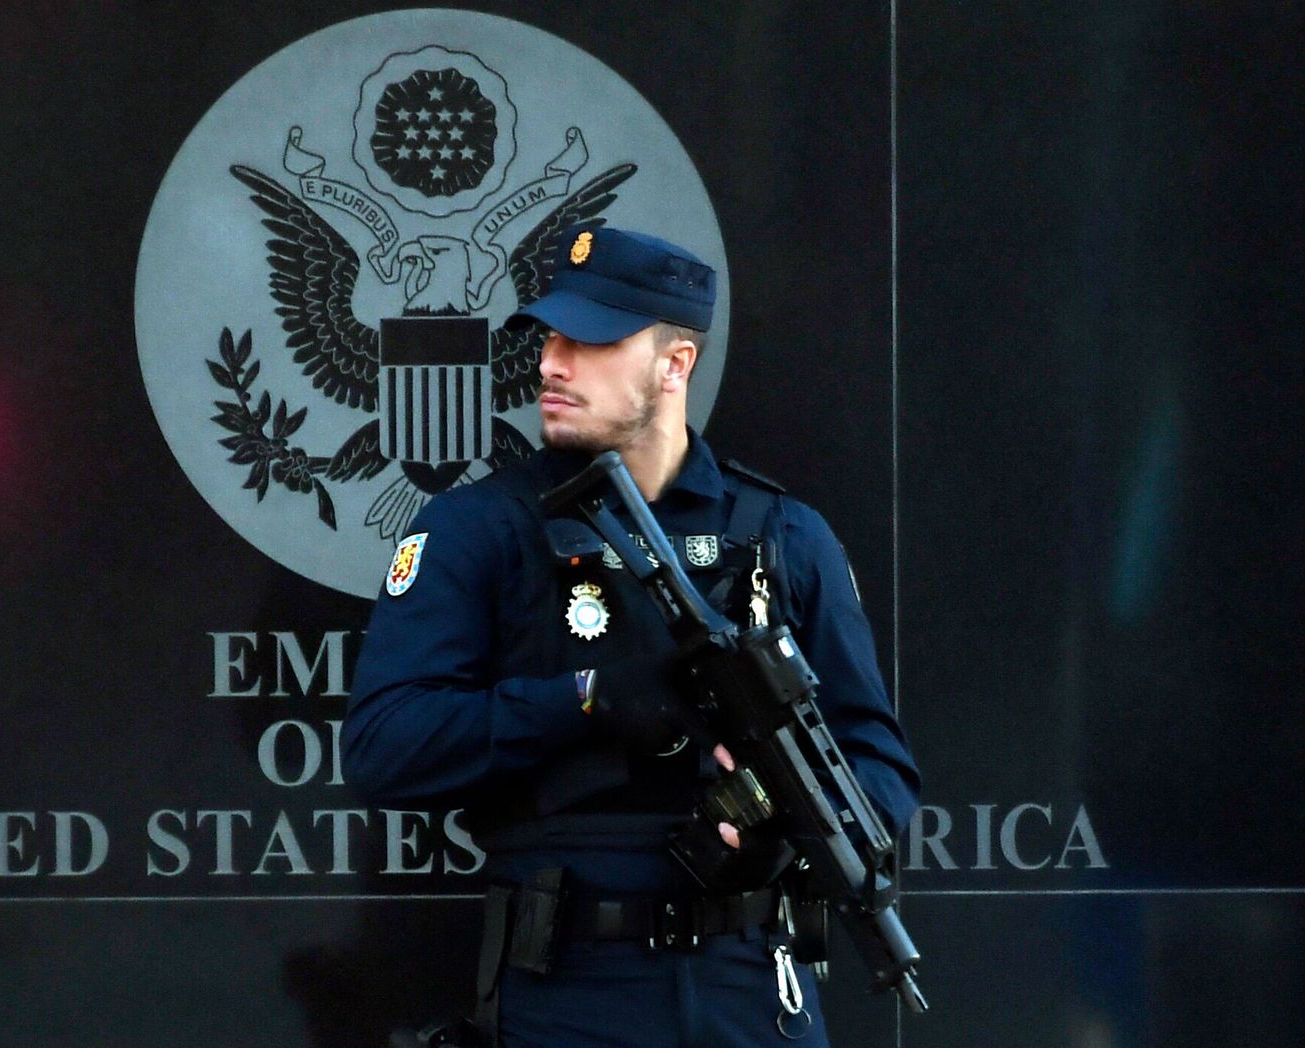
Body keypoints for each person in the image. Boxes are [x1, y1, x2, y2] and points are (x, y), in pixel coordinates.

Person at [343, 227, 921, 1047]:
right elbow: (382, 745)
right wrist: (588, 701)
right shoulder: (482, 530)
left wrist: (773, 838)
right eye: (550, 336)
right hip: (568, 991)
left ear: (674, 364)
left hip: (752, 990)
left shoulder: (781, 537)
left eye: (589, 339)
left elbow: (879, 764)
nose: (551, 362)